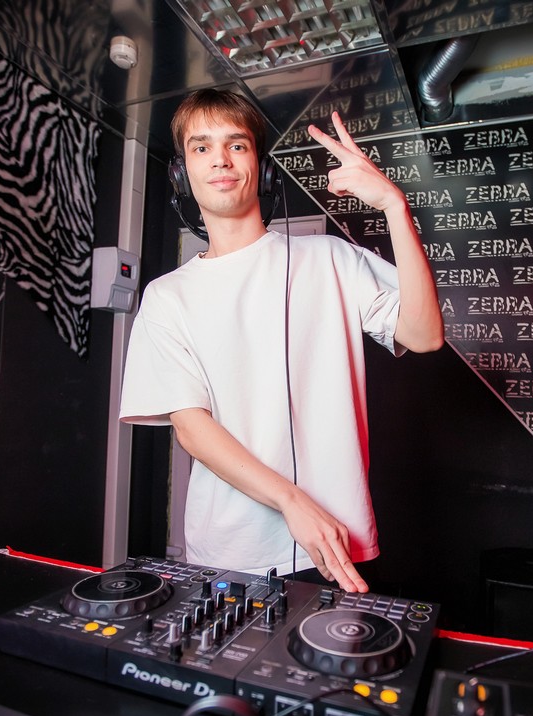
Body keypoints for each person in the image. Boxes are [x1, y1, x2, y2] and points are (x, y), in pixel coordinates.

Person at [119, 89, 442, 593]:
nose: (220, 160)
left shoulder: (330, 258)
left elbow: (423, 335)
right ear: (181, 173)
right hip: (231, 552)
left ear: (263, 168)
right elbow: (192, 428)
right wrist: (291, 500)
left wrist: (393, 206)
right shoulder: (166, 297)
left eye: (237, 145)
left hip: (337, 542)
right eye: (201, 147)